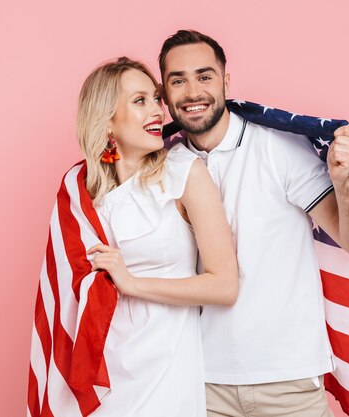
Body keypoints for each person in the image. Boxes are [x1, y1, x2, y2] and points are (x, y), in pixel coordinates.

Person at [158, 30, 349, 417]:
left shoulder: (279, 148)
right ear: (165, 92)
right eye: (178, 80)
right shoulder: (164, 165)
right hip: (200, 380)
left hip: (289, 380)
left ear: (226, 82)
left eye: (204, 76)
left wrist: (344, 181)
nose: (192, 91)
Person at [70, 57, 238, 416]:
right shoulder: (82, 194)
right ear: (108, 120)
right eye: (139, 101)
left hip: (165, 371)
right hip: (106, 368)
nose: (158, 111)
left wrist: (132, 283)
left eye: (156, 99)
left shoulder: (184, 174)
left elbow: (224, 286)